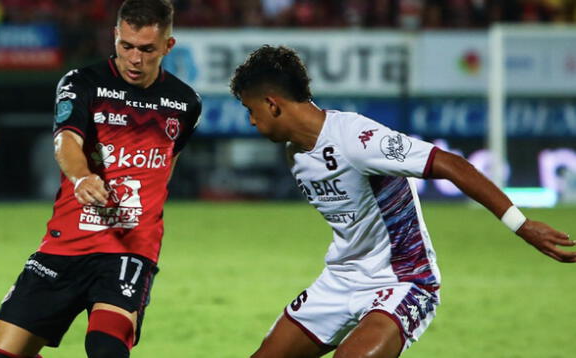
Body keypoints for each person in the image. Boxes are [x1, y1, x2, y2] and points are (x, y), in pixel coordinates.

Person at [229, 45, 576, 358]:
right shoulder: (297, 156)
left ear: (272, 103)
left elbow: (453, 165)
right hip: (340, 279)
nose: (251, 120)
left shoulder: (356, 139)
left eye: (251, 109)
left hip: (404, 282)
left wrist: (523, 225)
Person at [0, 1, 201, 357]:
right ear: (115, 36)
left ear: (167, 46)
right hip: (65, 244)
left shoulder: (184, 103)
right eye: (126, 46)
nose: (134, 58)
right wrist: (82, 176)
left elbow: (165, 172)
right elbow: (66, 140)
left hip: (128, 250)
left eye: (146, 49)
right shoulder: (83, 83)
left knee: (105, 349)